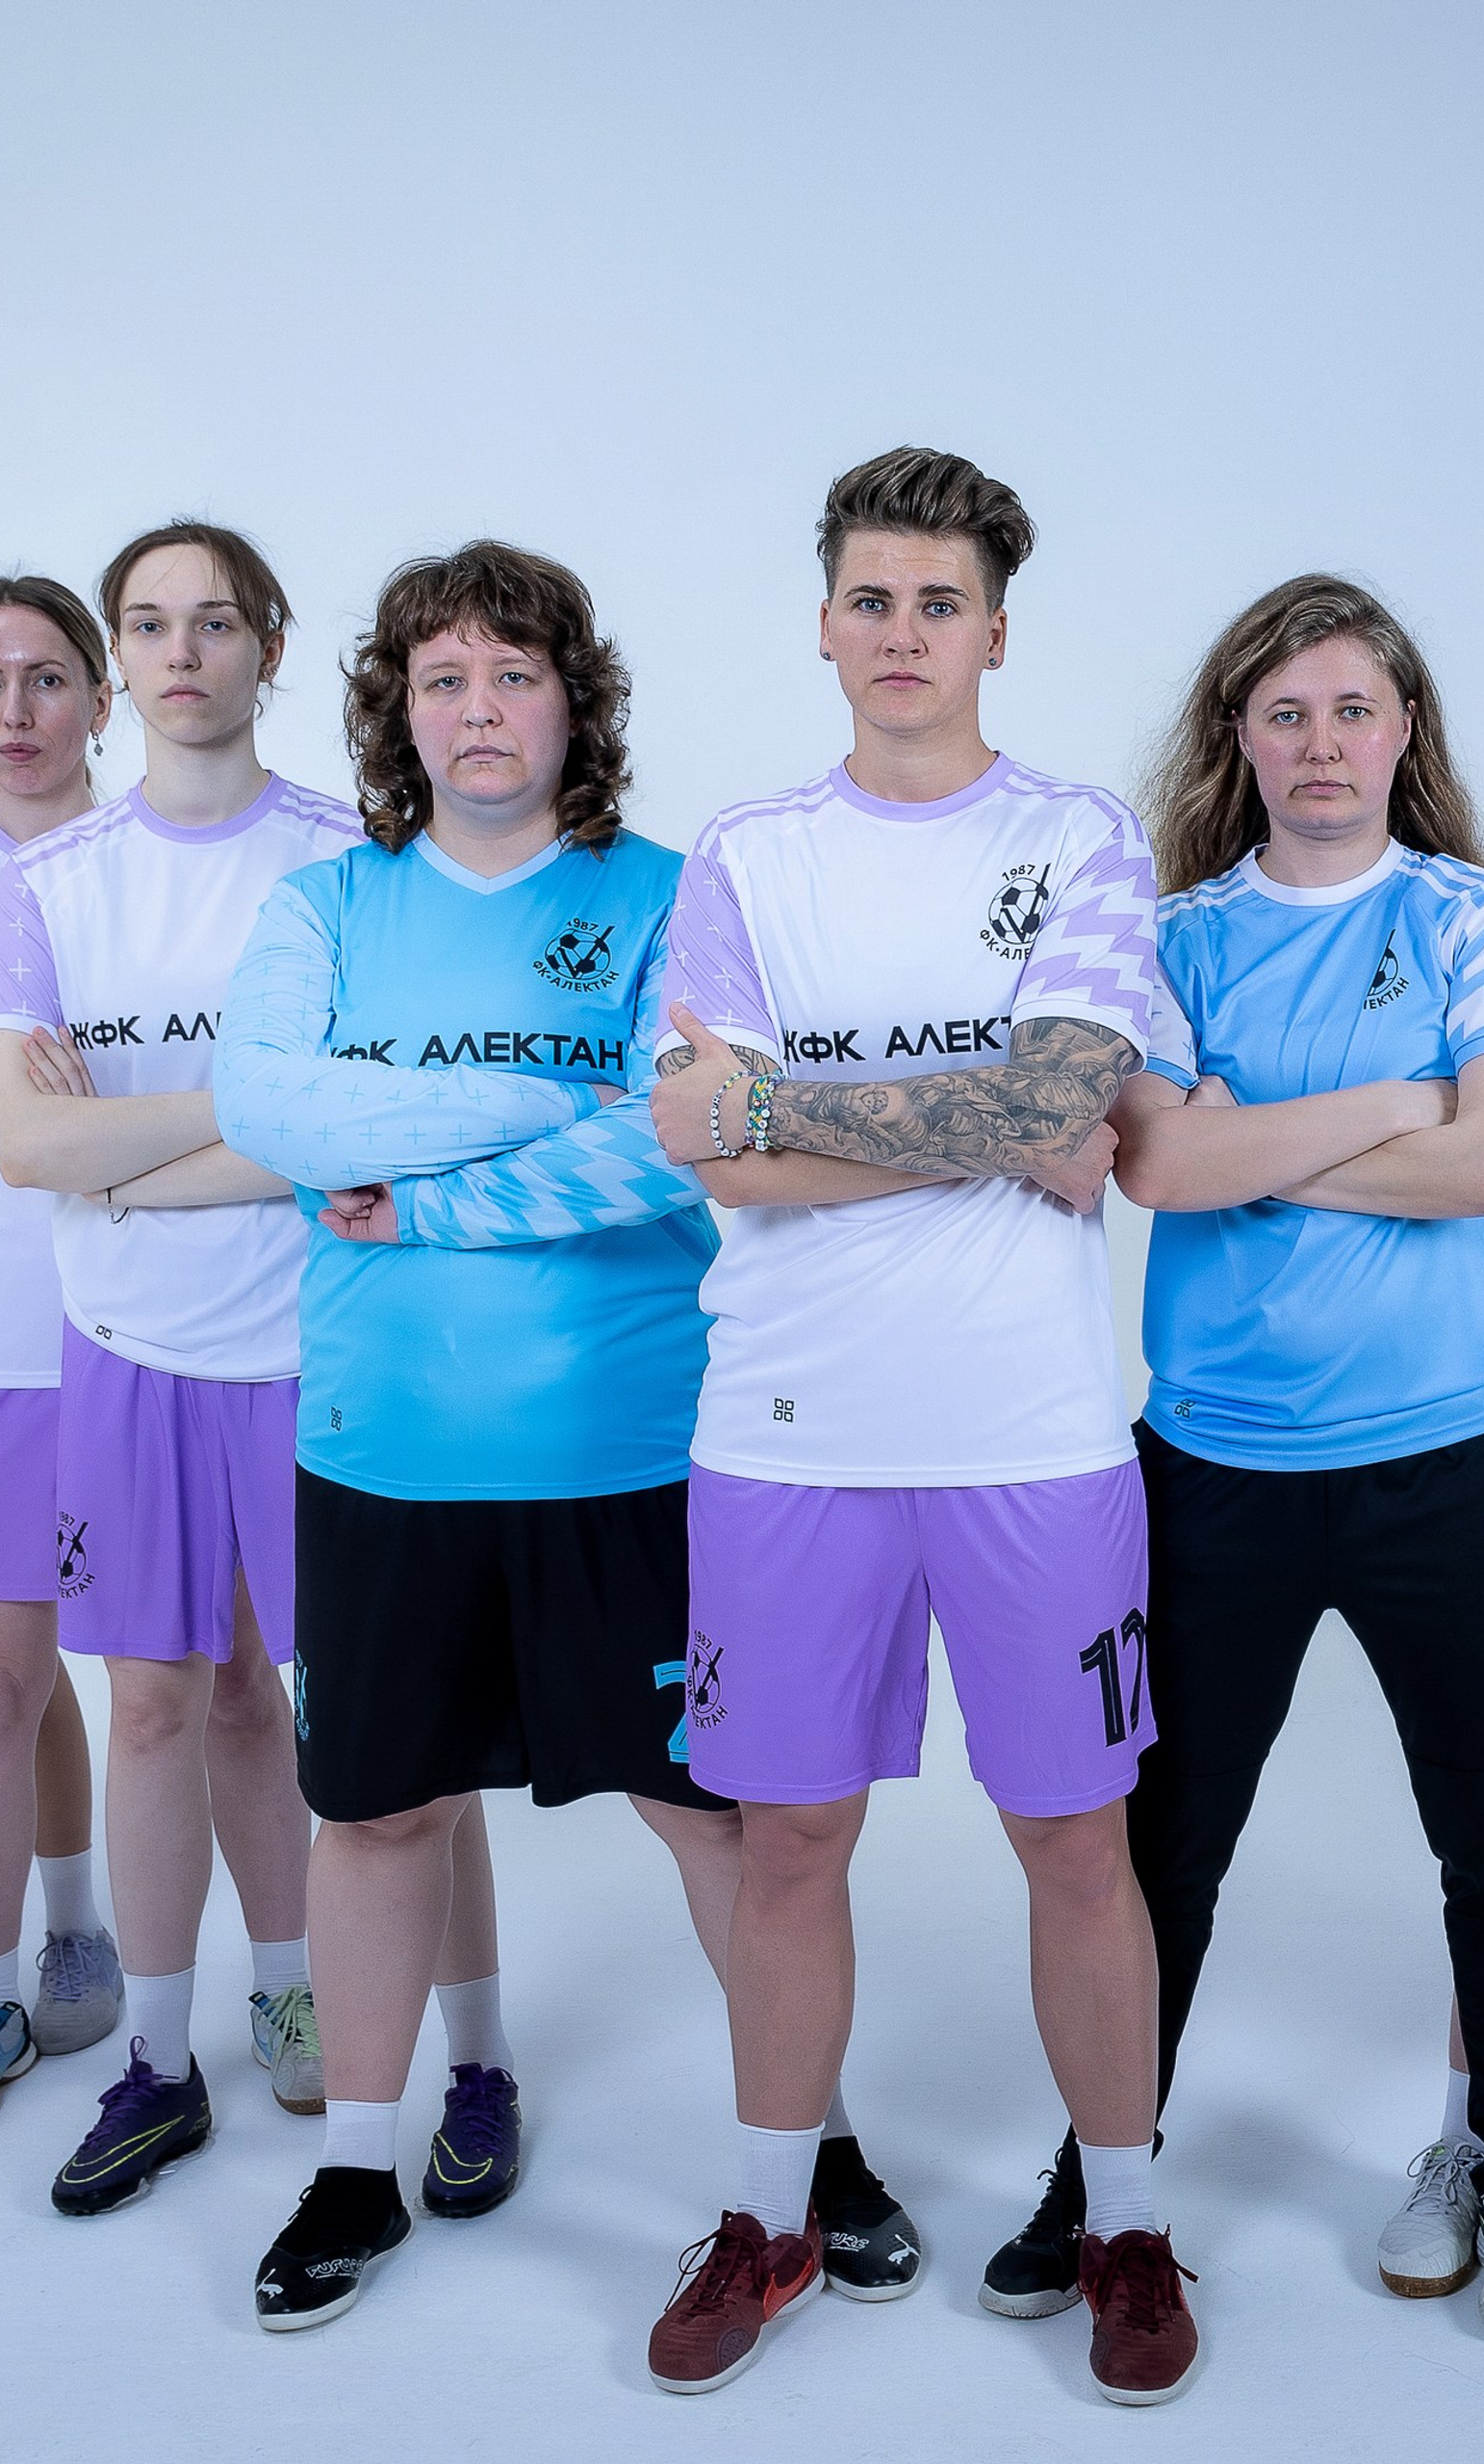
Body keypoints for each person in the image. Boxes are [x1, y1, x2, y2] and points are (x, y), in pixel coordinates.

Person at [646, 446, 1194, 2404]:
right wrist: (976, 1126)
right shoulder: (746, 854)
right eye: (868, 599)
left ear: (991, 629)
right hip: (785, 1433)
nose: (900, 634)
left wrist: (802, 1113)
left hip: (1033, 1431)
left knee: (1074, 1833)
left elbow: (1070, 1109)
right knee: (788, 1834)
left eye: (935, 602)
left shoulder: (1083, 839)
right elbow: (704, 1144)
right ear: (822, 621)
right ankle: (768, 2211)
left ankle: (1125, 2222)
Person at [991, 572, 1484, 2339]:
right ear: (1235, 738)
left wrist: (1265, 1139)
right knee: (1163, 1849)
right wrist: (1410, 1098)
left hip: (1456, 1465)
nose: (1321, 746)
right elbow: (1157, 1169)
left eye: (1353, 711)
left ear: (1407, 732)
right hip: (1217, 1476)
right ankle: (1108, 2182)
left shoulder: (1479, 916)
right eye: (1284, 714)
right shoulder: (1168, 937)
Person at [216, 541, 762, 2327]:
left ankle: (796, 2161)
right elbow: (272, 1106)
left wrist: (425, 1177)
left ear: (572, 699)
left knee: (716, 1822)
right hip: (385, 1451)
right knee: (378, 1817)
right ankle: (358, 2167)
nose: (477, 709)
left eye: (512, 674)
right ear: (395, 709)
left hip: (633, 1447)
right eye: (442, 678)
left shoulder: (681, 895)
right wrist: (540, 1092)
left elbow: (671, 1137)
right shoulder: (323, 905)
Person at [0, 523, 352, 2213]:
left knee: (276, 1699)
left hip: (304, 1341)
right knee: (147, 1700)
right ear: (119, 661)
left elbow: (346, 1133)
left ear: (266, 645)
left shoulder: (345, 861)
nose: (182, 651)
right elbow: (18, 1141)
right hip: (122, 1342)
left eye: (215, 621)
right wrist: (243, 1113)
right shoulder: (52, 882)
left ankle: (292, 1978)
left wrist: (118, 1146)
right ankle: (156, 2056)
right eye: (149, 623)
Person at [0, 576, 124, 2084]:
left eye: (42, 677)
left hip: (163, 1331)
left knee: (186, 1672)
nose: (14, 711)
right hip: (8, 1340)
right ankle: (40, 1948)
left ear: (99, 698)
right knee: (10, 1670)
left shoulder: (134, 875)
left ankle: (86, 1917)